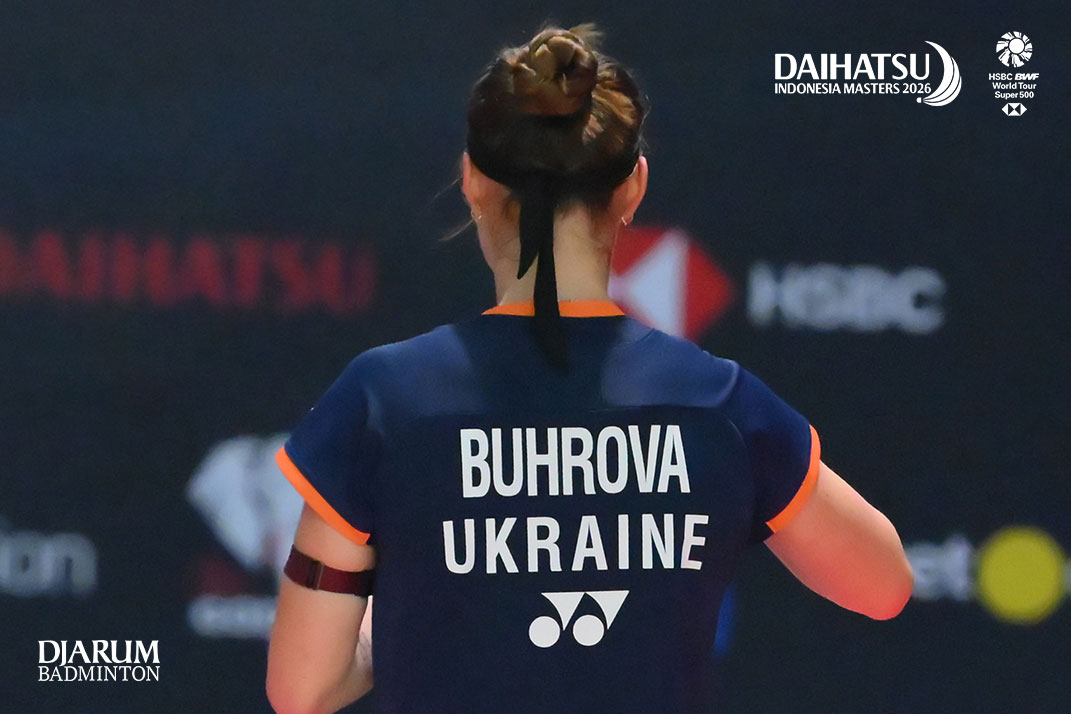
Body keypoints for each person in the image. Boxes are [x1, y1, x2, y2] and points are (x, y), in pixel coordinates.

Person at [266, 24, 913, 714]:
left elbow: (304, 689)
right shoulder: (717, 404)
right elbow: (882, 586)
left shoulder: (384, 399)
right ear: (633, 188)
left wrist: (403, 619)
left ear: (472, 181)